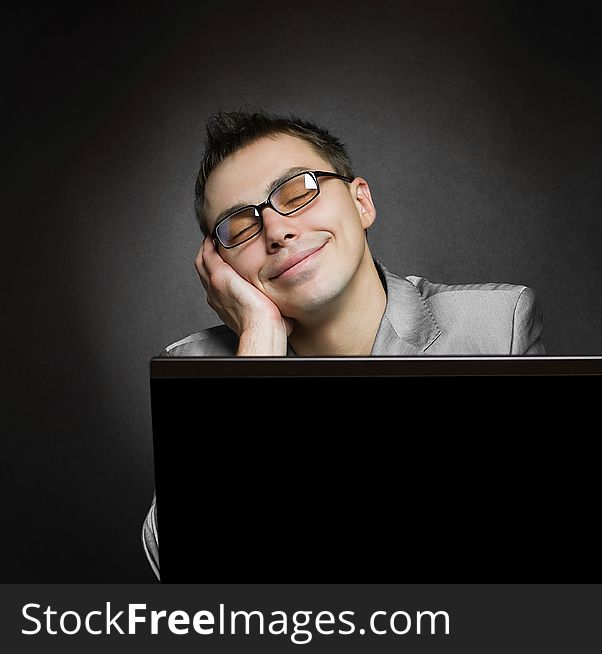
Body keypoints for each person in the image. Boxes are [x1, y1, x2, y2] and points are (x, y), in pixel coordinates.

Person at [142, 109, 546, 579]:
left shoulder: (496, 327)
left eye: (298, 192)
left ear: (362, 202)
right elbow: (188, 572)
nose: (276, 231)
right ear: (219, 268)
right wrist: (257, 355)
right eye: (240, 226)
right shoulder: (200, 368)